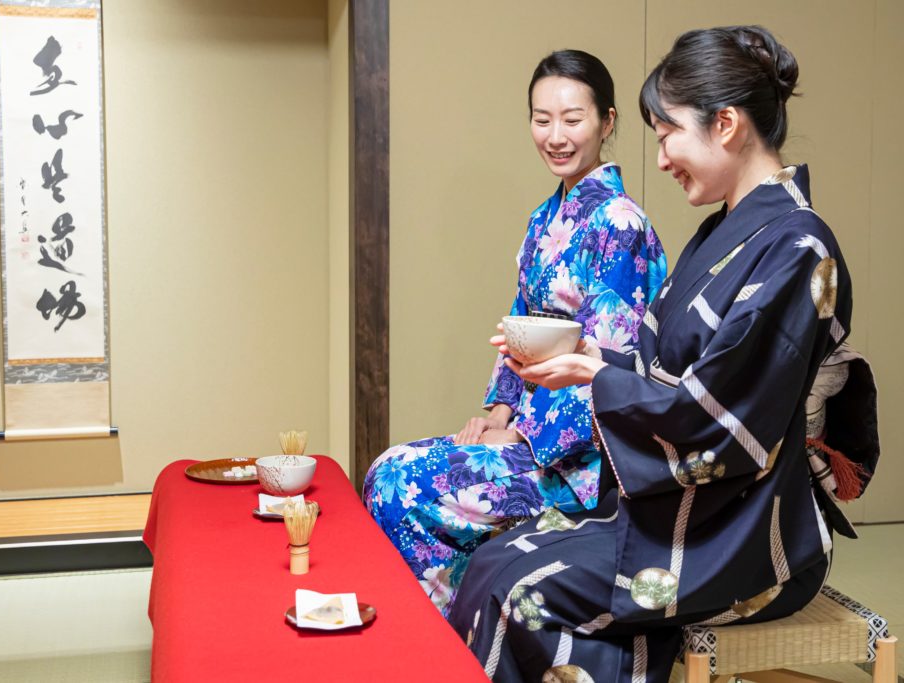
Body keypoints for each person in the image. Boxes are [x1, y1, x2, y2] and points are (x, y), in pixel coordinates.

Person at [448, 26, 864, 682]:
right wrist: (593, 360)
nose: (663, 157)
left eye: (668, 133)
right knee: (492, 563)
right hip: (685, 510)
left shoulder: (798, 250)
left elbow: (722, 422)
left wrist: (596, 378)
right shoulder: (720, 235)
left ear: (725, 124)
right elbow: (663, 370)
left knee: (519, 592)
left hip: (741, 533)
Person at [362, 50, 667, 618]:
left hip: (581, 463)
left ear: (608, 120)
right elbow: (519, 321)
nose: (555, 135)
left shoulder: (620, 225)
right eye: (541, 118)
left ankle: (439, 644)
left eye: (572, 119)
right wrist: (499, 414)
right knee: (386, 467)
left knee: (404, 486)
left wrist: (528, 441)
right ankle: (448, 633)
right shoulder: (542, 219)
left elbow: (607, 363)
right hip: (530, 432)